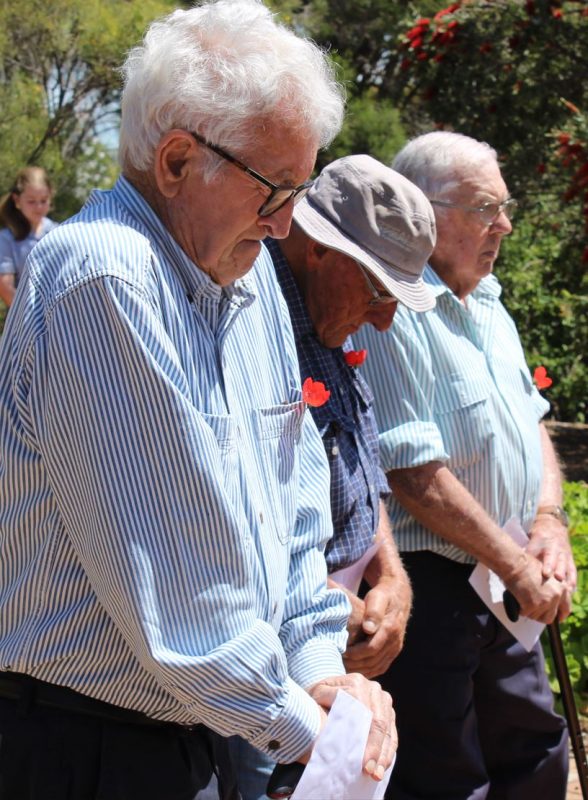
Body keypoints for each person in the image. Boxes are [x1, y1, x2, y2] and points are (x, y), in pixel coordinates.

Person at [0, 3, 396, 799]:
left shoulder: (245, 287)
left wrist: (319, 672)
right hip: (81, 749)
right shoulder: (106, 280)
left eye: (300, 187)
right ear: (177, 161)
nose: (287, 224)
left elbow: (295, 517)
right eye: (274, 188)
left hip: (194, 738)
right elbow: (185, 613)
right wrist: (316, 728)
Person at [356, 130, 577, 800]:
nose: (504, 225)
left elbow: (529, 419)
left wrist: (548, 520)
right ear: (424, 211)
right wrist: (516, 566)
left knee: (537, 751)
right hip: (433, 587)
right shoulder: (391, 306)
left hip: (503, 575)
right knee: (444, 776)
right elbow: (412, 473)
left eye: (505, 208)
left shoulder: (487, 300)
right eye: (487, 208)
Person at [223, 154, 438, 800]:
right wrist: (325, 603)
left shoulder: (327, 322)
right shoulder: (250, 324)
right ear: (318, 249)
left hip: (333, 658)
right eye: (378, 292)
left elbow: (361, 469)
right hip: (273, 679)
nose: (384, 319)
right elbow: (238, 514)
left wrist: (392, 578)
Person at [0, 166, 56, 330]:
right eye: (31, 201)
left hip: (58, 319)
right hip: (24, 324)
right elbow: (5, 287)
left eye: (43, 200)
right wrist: (34, 320)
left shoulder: (58, 232)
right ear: (17, 200)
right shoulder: (6, 239)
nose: (38, 207)